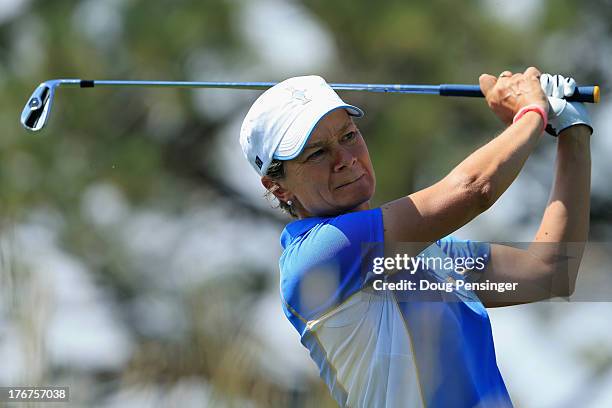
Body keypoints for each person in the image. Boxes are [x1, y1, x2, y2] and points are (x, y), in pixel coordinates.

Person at [239, 68, 592, 407]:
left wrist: (571, 129)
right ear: (277, 187)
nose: (344, 159)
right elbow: (473, 190)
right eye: (317, 153)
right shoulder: (317, 259)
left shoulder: (427, 256)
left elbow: (549, 274)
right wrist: (532, 112)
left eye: (348, 136)